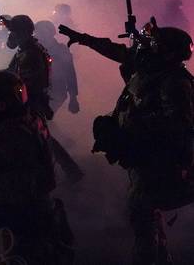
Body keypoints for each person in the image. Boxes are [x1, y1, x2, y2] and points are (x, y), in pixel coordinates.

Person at [60, 22, 194, 265]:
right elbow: (119, 52)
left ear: (168, 52)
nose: (146, 47)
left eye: (154, 44)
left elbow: (178, 125)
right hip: (142, 156)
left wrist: (134, 130)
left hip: (158, 161)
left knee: (141, 214)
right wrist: (85, 38)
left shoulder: (173, 81)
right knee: (145, 213)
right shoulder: (151, 69)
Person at [0, 69, 74, 265]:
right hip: (38, 209)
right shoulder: (30, 119)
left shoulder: (9, 134)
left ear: (0, 105)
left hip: (18, 216)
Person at [3, 15, 84, 183]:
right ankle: (68, 169)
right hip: (30, 99)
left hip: (32, 100)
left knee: (41, 136)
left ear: (23, 33)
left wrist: (73, 97)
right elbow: (10, 72)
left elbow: (21, 80)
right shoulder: (25, 50)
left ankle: (55, 173)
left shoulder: (31, 53)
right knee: (43, 135)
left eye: (14, 32)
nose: (11, 36)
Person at [34, 21, 80, 114]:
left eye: (43, 33)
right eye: (38, 32)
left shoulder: (61, 50)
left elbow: (70, 73)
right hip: (35, 91)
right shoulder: (32, 49)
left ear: (51, 33)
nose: (40, 36)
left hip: (56, 91)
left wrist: (73, 97)